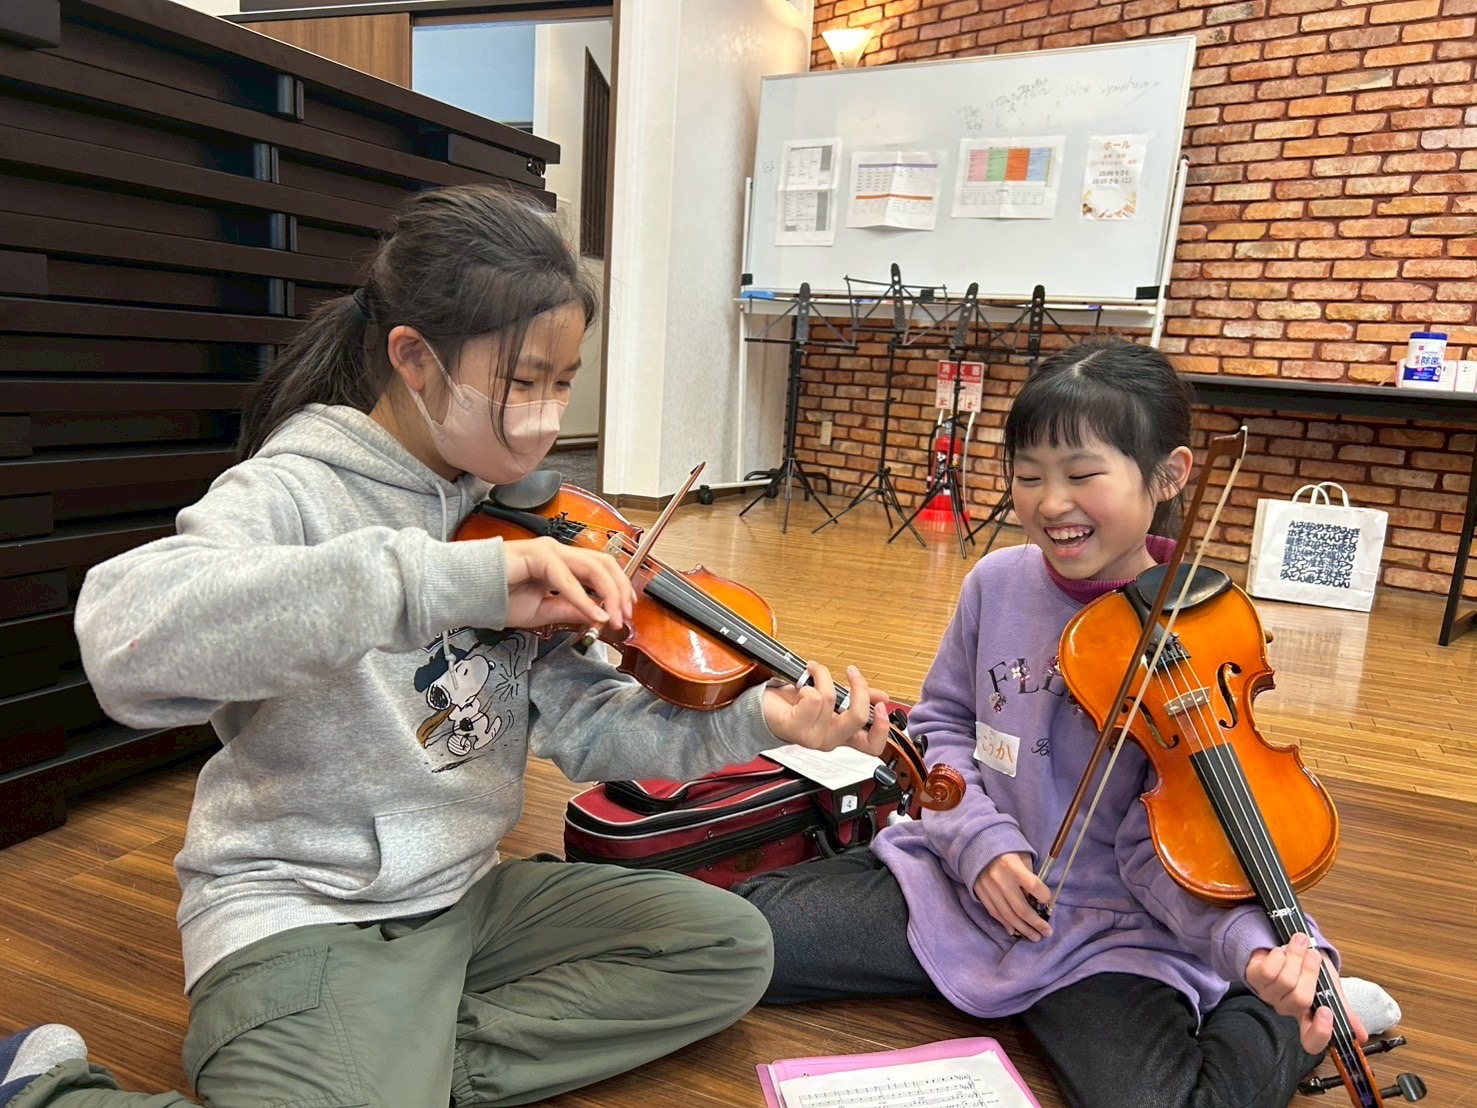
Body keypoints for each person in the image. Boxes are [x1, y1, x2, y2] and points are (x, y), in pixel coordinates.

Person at [1, 184, 892, 1108]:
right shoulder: (292, 491)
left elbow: (592, 730)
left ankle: (400, 1064)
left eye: (562, 382)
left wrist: (761, 720)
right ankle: (42, 1088)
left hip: (468, 897)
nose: (546, 415)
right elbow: (123, 644)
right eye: (521, 382)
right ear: (415, 358)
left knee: (728, 947)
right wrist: (449, 581)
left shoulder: (520, 516)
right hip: (303, 909)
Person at [735, 338, 1401, 1108]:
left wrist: (1254, 956)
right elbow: (945, 724)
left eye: (1082, 475)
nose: (1051, 503)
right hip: (960, 886)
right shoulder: (995, 582)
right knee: (734, 940)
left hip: (1115, 933)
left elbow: (1175, 850)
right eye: (1028, 476)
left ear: (1168, 475)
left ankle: (1282, 1007)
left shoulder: (1196, 635)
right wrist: (980, 849)